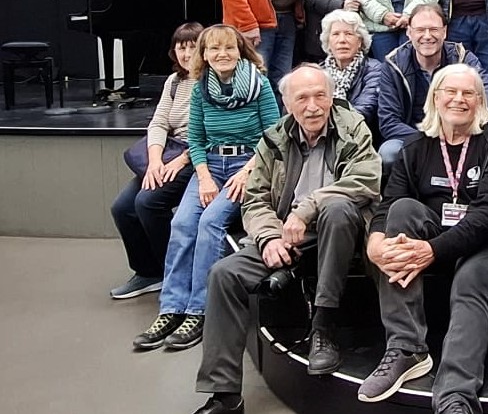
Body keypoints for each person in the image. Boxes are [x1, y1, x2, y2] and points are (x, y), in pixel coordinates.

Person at [190, 65, 381, 414]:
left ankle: (323, 327)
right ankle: (225, 395)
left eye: (320, 96)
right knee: (224, 274)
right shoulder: (274, 138)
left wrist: (306, 209)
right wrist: (268, 238)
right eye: (302, 98)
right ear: (288, 104)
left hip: (341, 232)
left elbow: (365, 181)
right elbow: (255, 199)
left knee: (337, 209)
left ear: (332, 97)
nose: (313, 106)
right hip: (286, 234)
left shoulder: (353, 128)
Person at [358, 64, 488, 414]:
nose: (459, 99)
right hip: (432, 235)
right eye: (450, 91)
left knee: (469, 279)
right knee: (401, 211)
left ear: (480, 101)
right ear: (434, 98)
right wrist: (375, 242)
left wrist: (432, 250)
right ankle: (406, 348)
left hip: (487, 242)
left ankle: (454, 395)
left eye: (468, 93)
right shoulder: (416, 146)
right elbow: (389, 203)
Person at [132, 24, 279, 352]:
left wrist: (248, 172)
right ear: (205, 54)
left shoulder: (260, 84)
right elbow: (196, 139)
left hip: (247, 165)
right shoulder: (201, 88)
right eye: (214, 49)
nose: (222, 54)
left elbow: (273, 136)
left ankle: (199, 311)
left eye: (229, 48)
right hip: (209, 165)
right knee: (182, 223)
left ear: (240, 51)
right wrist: (205, 176)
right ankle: (171, 308)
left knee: (210, 222)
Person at [110, 22, 204, 299]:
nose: (186, 54)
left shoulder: (212, 82)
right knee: (122, 208)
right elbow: (159, 123)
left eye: (193, 47)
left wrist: (181, 161)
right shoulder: (174, 81)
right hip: (167, 152)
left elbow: (213, 132)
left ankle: (175, 270)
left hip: (195, 156)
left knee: (148, 202)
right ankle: (149, 272)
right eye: (181, 47)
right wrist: (154, 162)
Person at [378, 4, 488, 170]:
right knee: (389, 152)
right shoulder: (393, 65)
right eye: (420, 30)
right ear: (409, 32)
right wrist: (430, 139)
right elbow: (389, 121)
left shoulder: (462, 58)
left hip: (459, 136)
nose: (427, 36)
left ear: (444, 32)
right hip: (413, 136)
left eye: (434, 29)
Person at [319, 9, 382, 129]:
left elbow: (366, 108)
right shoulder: (318, 73)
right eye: (336, 34)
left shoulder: (374, 70)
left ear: (360, 42)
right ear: (328, 42)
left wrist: (330, 126)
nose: (342, 40)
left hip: (360, 132)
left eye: (348, 34)